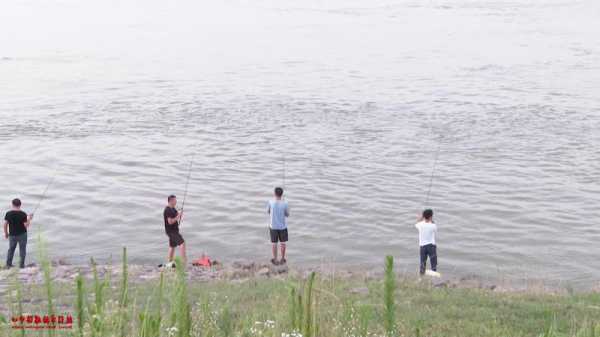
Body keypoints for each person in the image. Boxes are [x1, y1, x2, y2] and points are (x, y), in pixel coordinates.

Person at [4, 198, 32, 269]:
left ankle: (8, 264)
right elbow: (26, 225)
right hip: (22, 235)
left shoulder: (8, 213)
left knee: (11, 249)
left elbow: (5, 224)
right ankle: (21, 266)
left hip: (12, 235)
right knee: (22, 250)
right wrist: (29, 219)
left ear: (12, 204)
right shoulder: (23, 214)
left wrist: (6, 233)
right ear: (20, 205)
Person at [267, 187, 289, 265]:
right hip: (282, 227)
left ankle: (275, 260)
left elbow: (268, 211)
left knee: (274, 243)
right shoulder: (285, 203)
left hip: (273, 226)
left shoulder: (270, 202)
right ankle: (282, 259)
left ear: (274, 193)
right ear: (282, 194)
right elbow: (287, 214)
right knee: (283, 243)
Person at [163, 195, 186, 266]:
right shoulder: (167, 210)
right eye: (175, 200)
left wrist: (180, 213)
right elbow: (170, 222)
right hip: (171, 231)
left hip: (175, 230)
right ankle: (183, 263)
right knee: (182, 243)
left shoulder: (173, 209)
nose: (176, 202)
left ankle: (169, 263)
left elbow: (176, 216)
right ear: (171, 201)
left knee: (172, 246)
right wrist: (178, 216)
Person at [415, 209, 437, 275]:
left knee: (422, 263)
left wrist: (421, 218)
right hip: (431, 246)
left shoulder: (420, 225)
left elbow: (417, 223)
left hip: (422, 247)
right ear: (431, 217)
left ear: (423, 216)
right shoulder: (433, 225)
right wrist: (431, 221)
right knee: (433, 263)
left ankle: (421, 277)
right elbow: (434, 228)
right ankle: (434, 277)